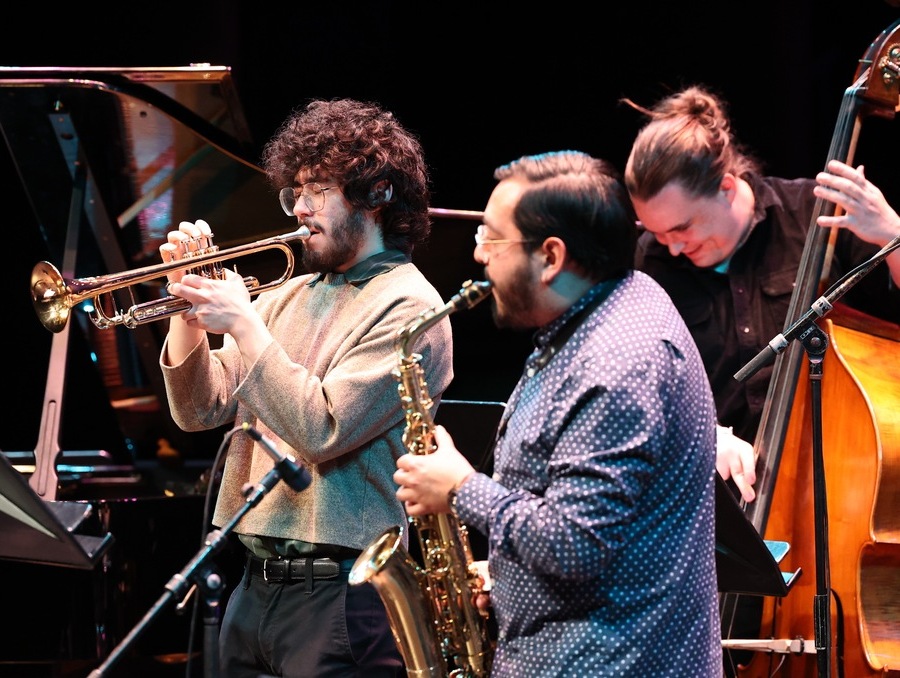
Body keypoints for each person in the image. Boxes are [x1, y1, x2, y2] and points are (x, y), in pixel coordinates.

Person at [393, 150, 723, 677]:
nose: (479, 255)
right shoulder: (612, 302)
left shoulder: (617, 366)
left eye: (492, 238)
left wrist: (459, 488)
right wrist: (514, 578)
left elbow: (577, 544)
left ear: (551, 256)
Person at [158, 98, 454, 677]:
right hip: (254, 584)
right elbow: (198, 410)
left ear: (375, 194)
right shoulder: (288, 292)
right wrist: (183, 304)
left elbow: (324, 428)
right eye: (294, 190)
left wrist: (242, 323)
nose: (299, 207)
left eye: (316, 188)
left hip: (341, 597)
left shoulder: (411, 308)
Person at [622, 84, 900, 677]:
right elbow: (642, 384)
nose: (669, 247)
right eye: (656, 233)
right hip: (720, 525)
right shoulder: (654, 258)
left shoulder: (820, 216)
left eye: (682, 229)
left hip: (827, 512)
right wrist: (706, 431)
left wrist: (893, 236)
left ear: (726, 187)